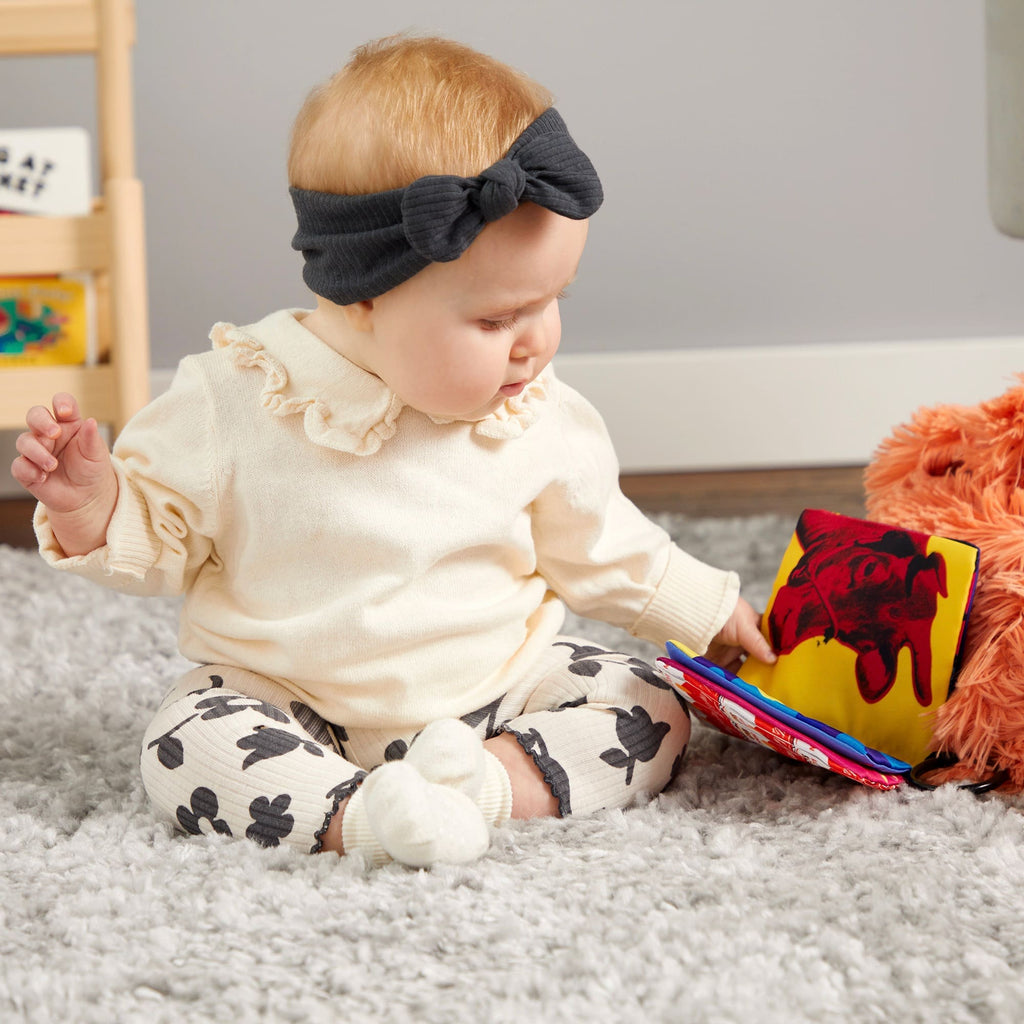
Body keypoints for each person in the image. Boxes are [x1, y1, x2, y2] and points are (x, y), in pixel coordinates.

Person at [11, 35, 774, 868]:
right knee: (184, 740)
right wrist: (96, 507)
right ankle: (357, 819)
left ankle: (485, 787)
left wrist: (713, 612)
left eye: (552, 301)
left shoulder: (534, 416)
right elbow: (161, 537)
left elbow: (605, 545)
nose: (536, 344)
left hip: (496, 688)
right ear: (364, 296)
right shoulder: (241, 395)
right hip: (294, 701)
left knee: (649, 705)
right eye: (495, 321)